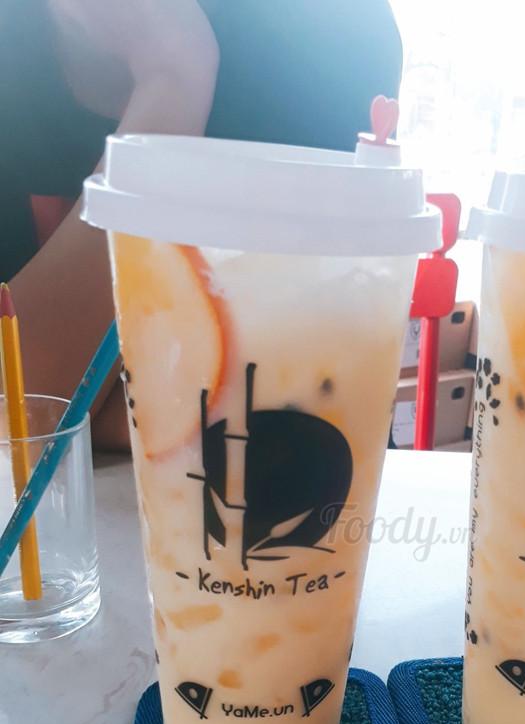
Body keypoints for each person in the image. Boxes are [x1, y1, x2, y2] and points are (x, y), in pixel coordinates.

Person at [0, 0, 402, 449]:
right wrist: (174, 78)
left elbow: (310, 404)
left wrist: (173, 76)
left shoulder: (334, 26)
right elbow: (17, 416)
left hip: (295, 487)